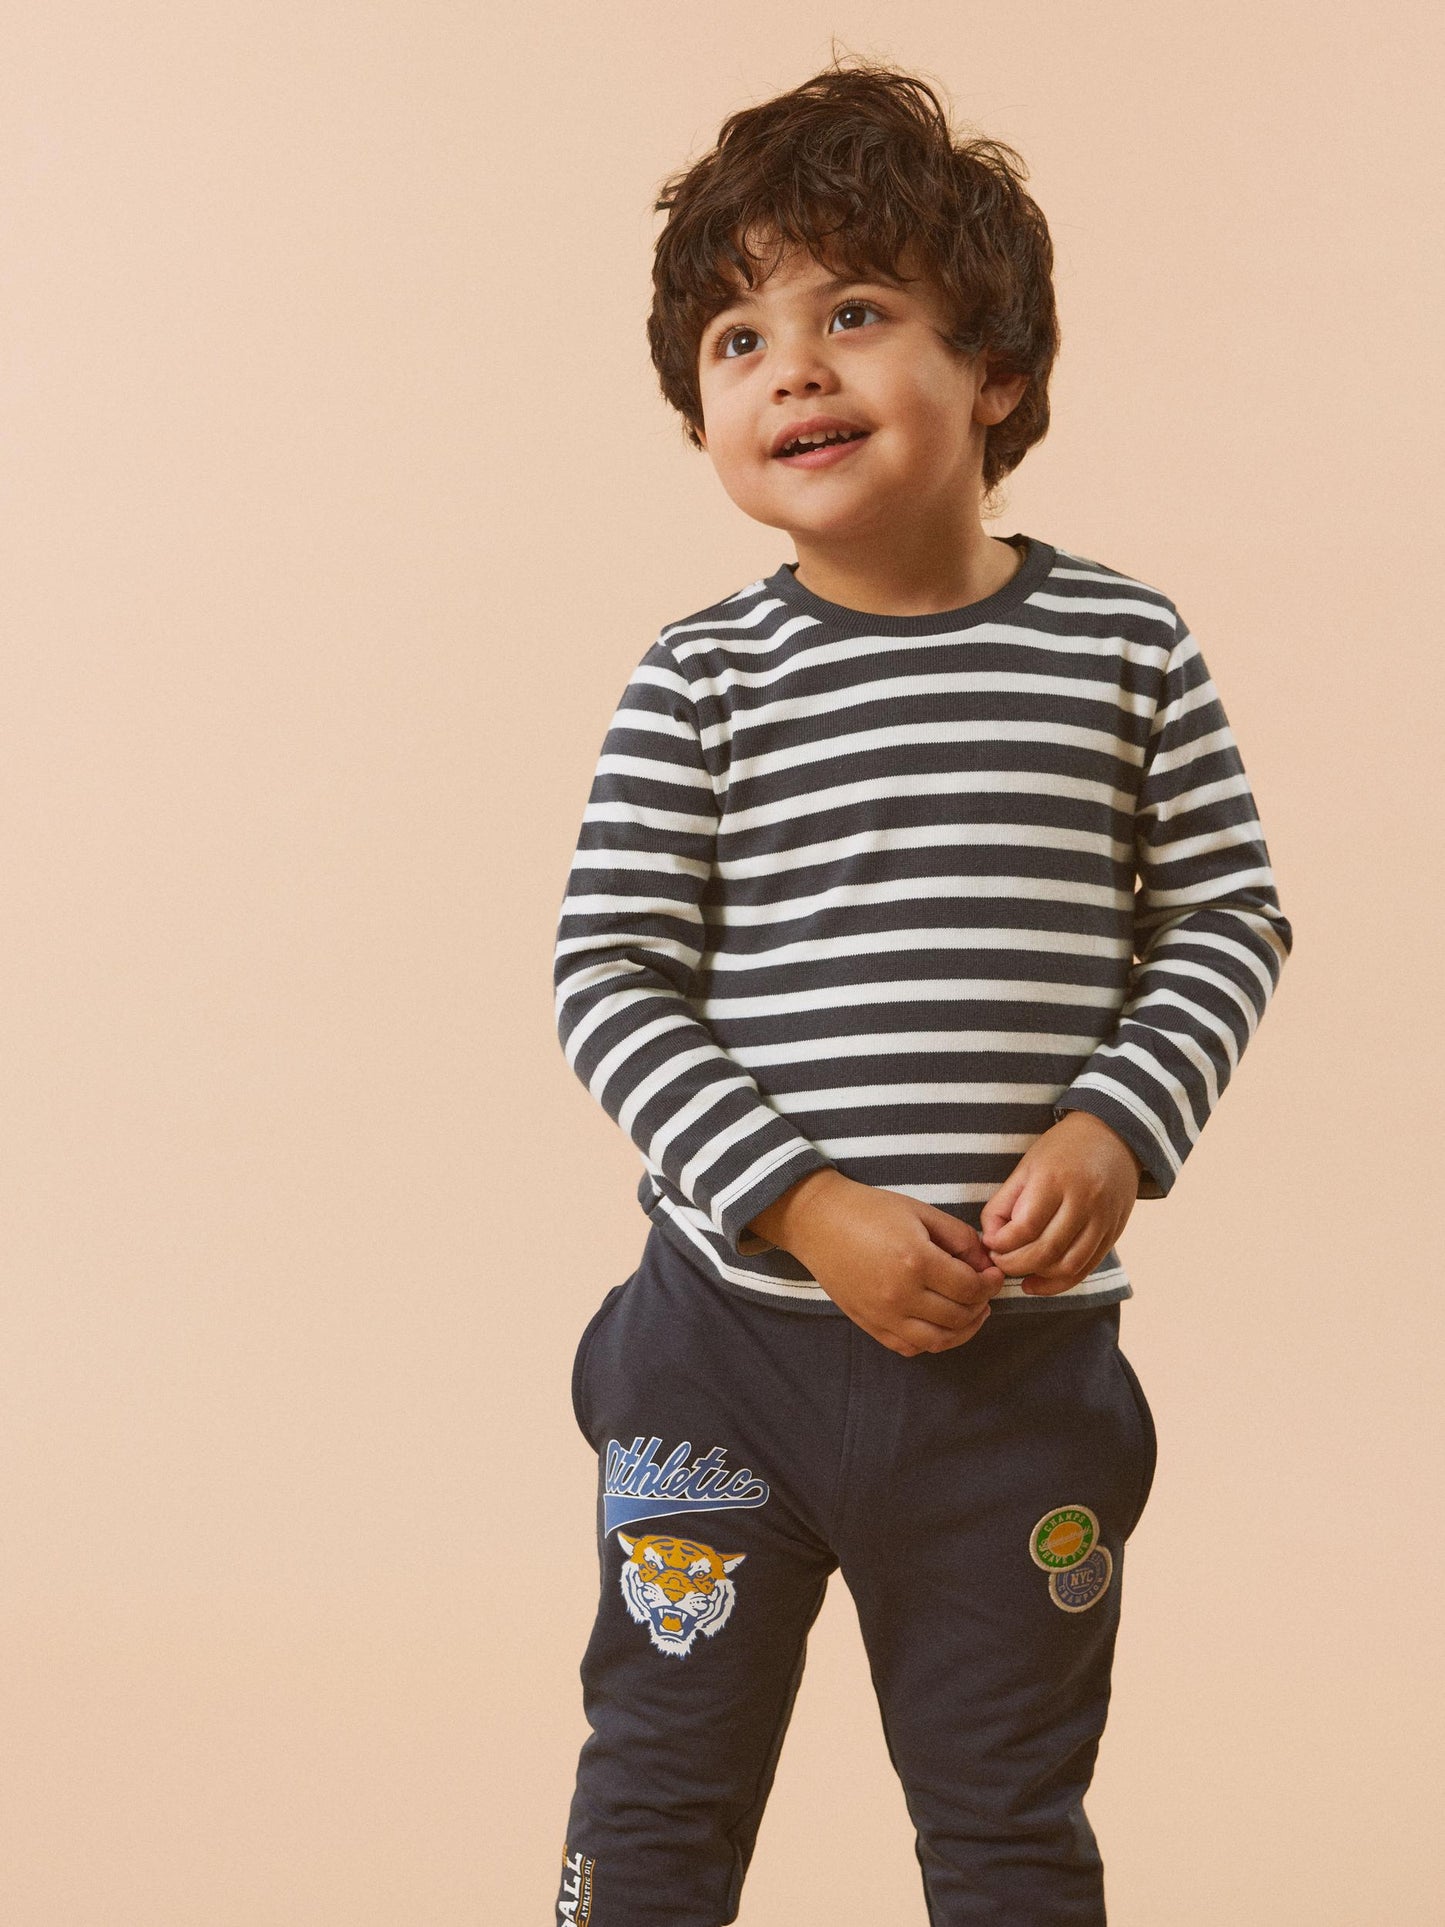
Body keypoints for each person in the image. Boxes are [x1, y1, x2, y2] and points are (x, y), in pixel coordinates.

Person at [550, 55, 1292, 1927]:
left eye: (854, 312)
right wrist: (804, 1206)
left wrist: (1114, 1128)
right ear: (702, 416)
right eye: (737, 340)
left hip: (1014, 1388)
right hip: (723, 1358)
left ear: (998, 372)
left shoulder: (1122, 646)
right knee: (656, 1792)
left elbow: (1226, 915)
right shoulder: (701, 680)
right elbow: (608, 974)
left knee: (1006, 1821)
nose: (789, 368)